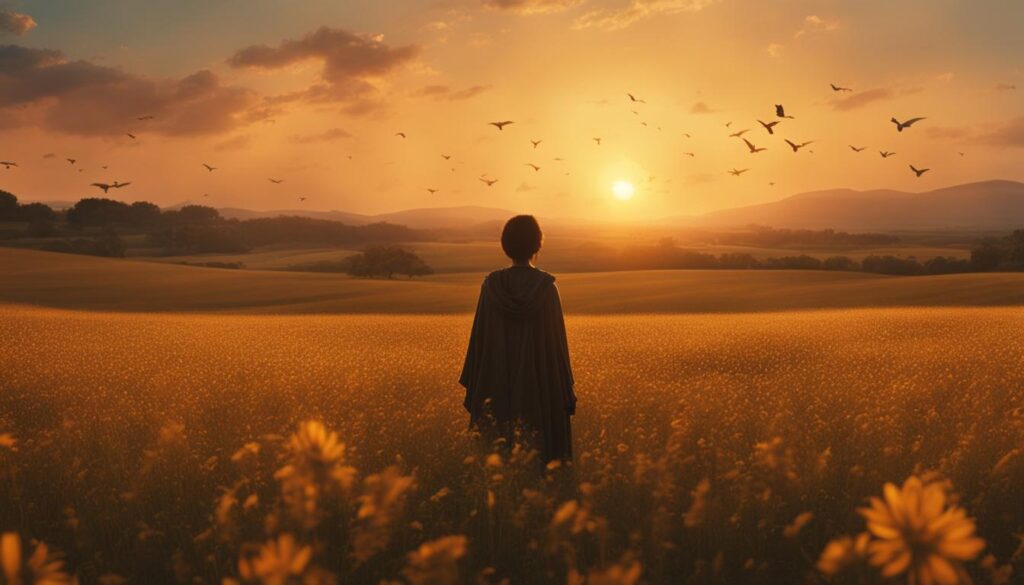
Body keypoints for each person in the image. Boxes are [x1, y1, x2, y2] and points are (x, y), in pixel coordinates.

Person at [459, 215, 576, 462]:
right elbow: (557, 347)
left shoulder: (491, 286)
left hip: (496, 382)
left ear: (505, 245)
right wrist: (565, 389)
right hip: (539, 387)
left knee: (496, 463)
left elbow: (479, 341)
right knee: (539, 461)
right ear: (537, 246)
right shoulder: (546, 288)